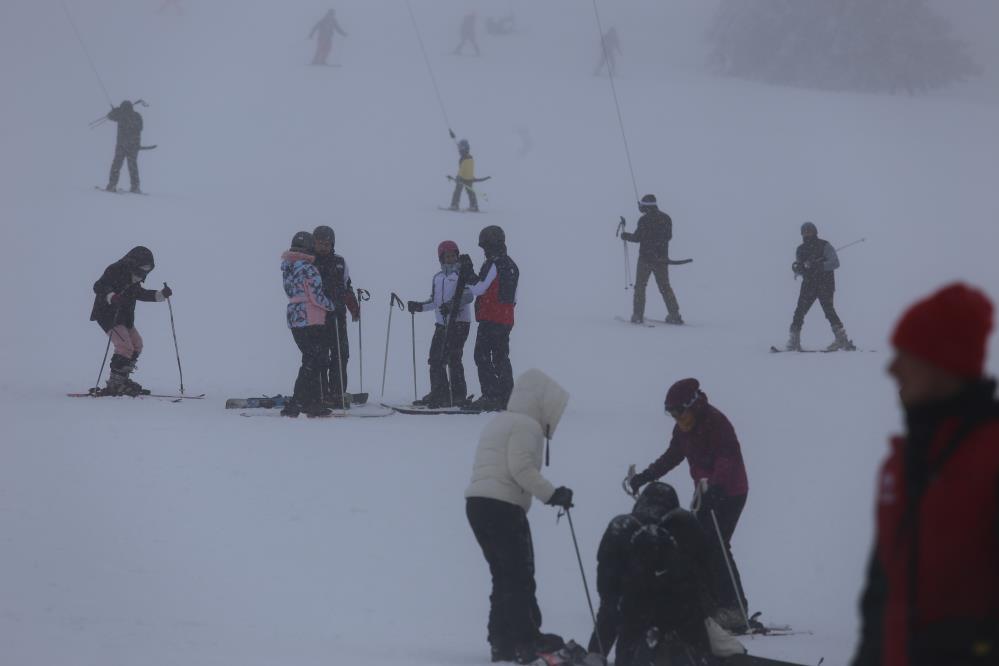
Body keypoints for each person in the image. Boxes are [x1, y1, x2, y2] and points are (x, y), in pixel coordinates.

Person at [852, 283, 999, 666]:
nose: (892, 368)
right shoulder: (899, 466)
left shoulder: (990, 458)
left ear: (943, 364)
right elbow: (881, 599)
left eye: (906, 355)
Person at [465, 369, 573, 664]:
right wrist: (553, 495)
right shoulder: (528, 426)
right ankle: (525, 641)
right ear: (544, 405)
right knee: (518, 575)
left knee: (503, 574)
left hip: (477, 504)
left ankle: (500, 641)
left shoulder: (501, 420)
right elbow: (521, 469)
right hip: (503, 506)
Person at [628, 378, 749, 631]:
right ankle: (716, 605)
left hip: (730, 491)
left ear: (693, 405)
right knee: (701, 546)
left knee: (716, 544)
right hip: (705, 492)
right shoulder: (683, 429)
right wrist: (647, 475)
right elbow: (673, 455)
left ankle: (735, 609)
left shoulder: (716, 423)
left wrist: (716, 488)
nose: (677, 418)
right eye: (671, 414)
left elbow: (726, 459)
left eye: (679, 412)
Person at [588, 482, 681, 658]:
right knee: (634, 622)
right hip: (638, 588)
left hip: (609, 572)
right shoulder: (662, 533)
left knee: (609, 611)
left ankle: (594, 656)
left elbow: (603, 560)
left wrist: (609, 595)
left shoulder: (619, 522)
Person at [90, 246, 172, 396]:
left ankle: (122, 379)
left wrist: (160, 295)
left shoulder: (134, 278)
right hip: (108, 314)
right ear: (134, 263)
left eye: (147, 270)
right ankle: (115, 384)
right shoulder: (115, 270)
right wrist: (111, 296)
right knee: (124, 346)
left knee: (136, 344)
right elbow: (99, 286)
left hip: (124, 317)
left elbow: (139, 293)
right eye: (142, 269)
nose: (143, 274)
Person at [407, 240, 472, 408]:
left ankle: (457, 395)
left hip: (459, 322)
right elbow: (435, 302)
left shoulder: (461, 275)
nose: (450, 259)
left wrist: (451, 306)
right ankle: (439, 392)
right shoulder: (438, 278)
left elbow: (468, 296)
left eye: (453, 256)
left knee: (453, 358)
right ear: (441, 258)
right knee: (435, 358)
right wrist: (420, 306)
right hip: (441, 324)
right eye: (447, 256)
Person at [280, 231, 338, 418]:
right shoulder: (308, 269)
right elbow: (315, 296)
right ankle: (299, 402)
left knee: (311, 359)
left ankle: (310, 401)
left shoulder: (288, 267)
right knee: (313, 361)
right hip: (311, 318)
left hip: (295, 318)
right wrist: (331, 305)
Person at [461, 225, 519, 412]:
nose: (484, 251)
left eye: (485, 246)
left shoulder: (494, 264)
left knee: (482, 355)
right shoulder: (511, 265)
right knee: (501, 357)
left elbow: (480, 288)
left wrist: (469, 273)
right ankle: (507, 396)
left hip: (491, 318)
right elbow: (514, 296)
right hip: (505, 318)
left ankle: (491, 396)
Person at [785, 221, 854, 351]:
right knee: (799, 312)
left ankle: (841, 340)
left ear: (815, 231)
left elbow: (835, 263)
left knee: (829, 311)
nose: (807, 233)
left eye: (809, 230)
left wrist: (818, 265)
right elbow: (801, 269)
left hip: (825, 284)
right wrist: (797, 268)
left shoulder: (825, 245)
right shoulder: (800, 249)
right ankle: (794, 341)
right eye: (804, 231)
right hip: (808, 285)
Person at [312, 225, 359, 407]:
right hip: (318, 317)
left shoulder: (339, 262)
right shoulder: (310, 262)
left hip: (338, 316)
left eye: (326, 243)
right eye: (319, 243)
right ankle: (322, 392)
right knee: (321, 356)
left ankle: (337, 392)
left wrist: (353, 306)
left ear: (332, 244)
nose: (323, 247)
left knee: (341, 354)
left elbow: (347, 285)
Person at [620, 195, 683, 325]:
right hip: (661, 259)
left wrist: (625, 236)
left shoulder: (644, 220)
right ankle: (675, 315)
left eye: (642, 205)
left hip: (645, 259)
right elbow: (669, 237)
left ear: (646, 206)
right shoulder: (666, 218)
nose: (640, 207)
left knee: (640, 287)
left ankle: (637, 315)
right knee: (665, 287)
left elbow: (637, 238)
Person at [105, 100, 144, 193]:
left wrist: (116, 111)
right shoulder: (136, 115)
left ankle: (112, 185)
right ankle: (135, 187)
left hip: (122, 145)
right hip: (133, 146)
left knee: (116, 165)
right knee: (132, 166)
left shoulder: (120, 115)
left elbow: (110, 116)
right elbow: (141, 127)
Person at [448, 139, 479, 212]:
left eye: (460, 149)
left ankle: (454, 205)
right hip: (469, 178)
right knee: (470, 192)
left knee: (457, 191)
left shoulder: (464, 159)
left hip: (462, 178)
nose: (459, 150)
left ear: (463, 149)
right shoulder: (470, 157)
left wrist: (458, 176)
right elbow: (470, 168)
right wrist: (472, 176)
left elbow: (462, 169)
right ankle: (474, 206)